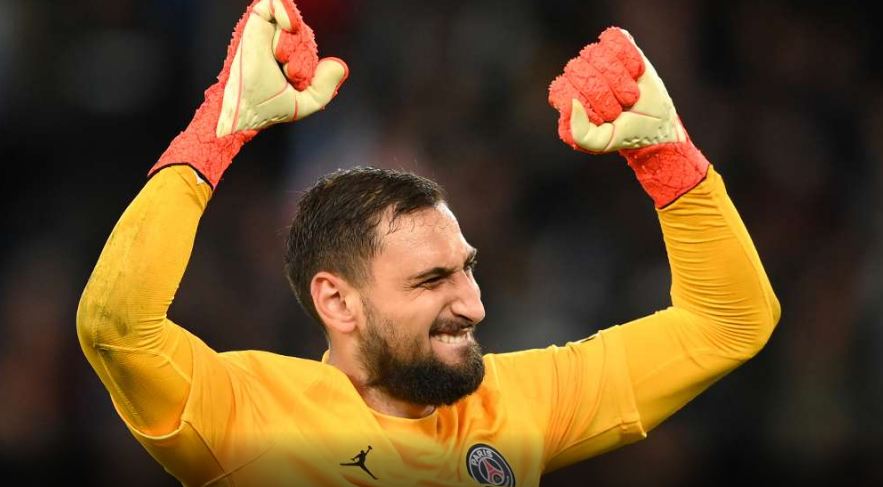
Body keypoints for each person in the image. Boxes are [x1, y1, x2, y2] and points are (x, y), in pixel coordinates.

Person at [76, 0, 780, 485]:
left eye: (465, 270)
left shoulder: (514, 406)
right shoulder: (250, 415)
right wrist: (217, 130)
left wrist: (666, 158)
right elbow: (116, 328)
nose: (473, 304)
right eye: (431, 280)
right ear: (337, 302)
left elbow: (730, 322)